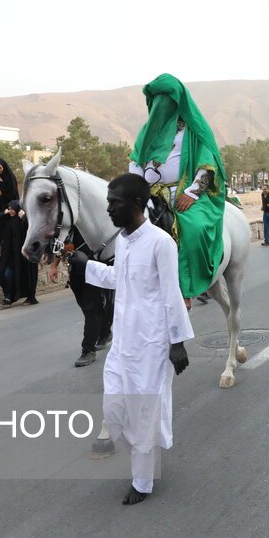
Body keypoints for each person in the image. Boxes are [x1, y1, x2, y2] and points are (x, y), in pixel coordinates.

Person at [68, 174, 193, 505]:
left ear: (137, 204)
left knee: (143, 413)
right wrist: (87, 267)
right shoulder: (122, 241)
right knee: (115, 408)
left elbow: (171, 293)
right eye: (108, 201)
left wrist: (177, 342)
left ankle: (142, 480)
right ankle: (141, 457)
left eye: (114, 202)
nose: (108, 208)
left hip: (153, 344)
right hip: (124, 342)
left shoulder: (160, 242)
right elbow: (119, 278)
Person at [127, 74, 227, 306]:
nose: (162, 104)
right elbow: (136, 160)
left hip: (183, 193)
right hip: (148, 193)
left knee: (194, 228)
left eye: (167, 99)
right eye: (158, 99)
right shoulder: (147, 130)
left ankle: (186, 288)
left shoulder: (192, 130)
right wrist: (136, 184)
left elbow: (207, 163)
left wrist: (192, 192)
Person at [49, 233, 115, 367]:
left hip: (92, 271)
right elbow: (61, 245)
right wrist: (54, 265)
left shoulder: (88, 225)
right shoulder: (67, 227)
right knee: (88, 309)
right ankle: (105, 331)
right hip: (75, 271)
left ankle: (88, 350)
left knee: (91, 309)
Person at [0, 200, 39, 307]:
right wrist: (4, 213)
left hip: (24, 255)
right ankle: (8, 296)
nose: (10, 211)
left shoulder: (23, 220)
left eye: (12, 209)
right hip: (10, 255)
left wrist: (24, 217)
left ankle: (24, 297)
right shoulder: (8, 221)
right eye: (9, 209)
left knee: (27, 276)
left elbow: (34, 227)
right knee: (4, 274)